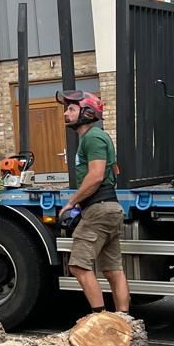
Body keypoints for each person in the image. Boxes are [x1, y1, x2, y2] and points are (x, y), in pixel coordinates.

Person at [57, 90, 129, 314]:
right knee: (112, 269)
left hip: (98, 209)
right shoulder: (93, 137)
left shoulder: (93, 137)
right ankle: (124, 320)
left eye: (71, 109)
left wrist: (72, 202)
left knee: (78, 265)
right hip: (107, 208)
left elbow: (96, 175)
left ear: (87, 112)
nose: (65, 113)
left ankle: (99, 318)